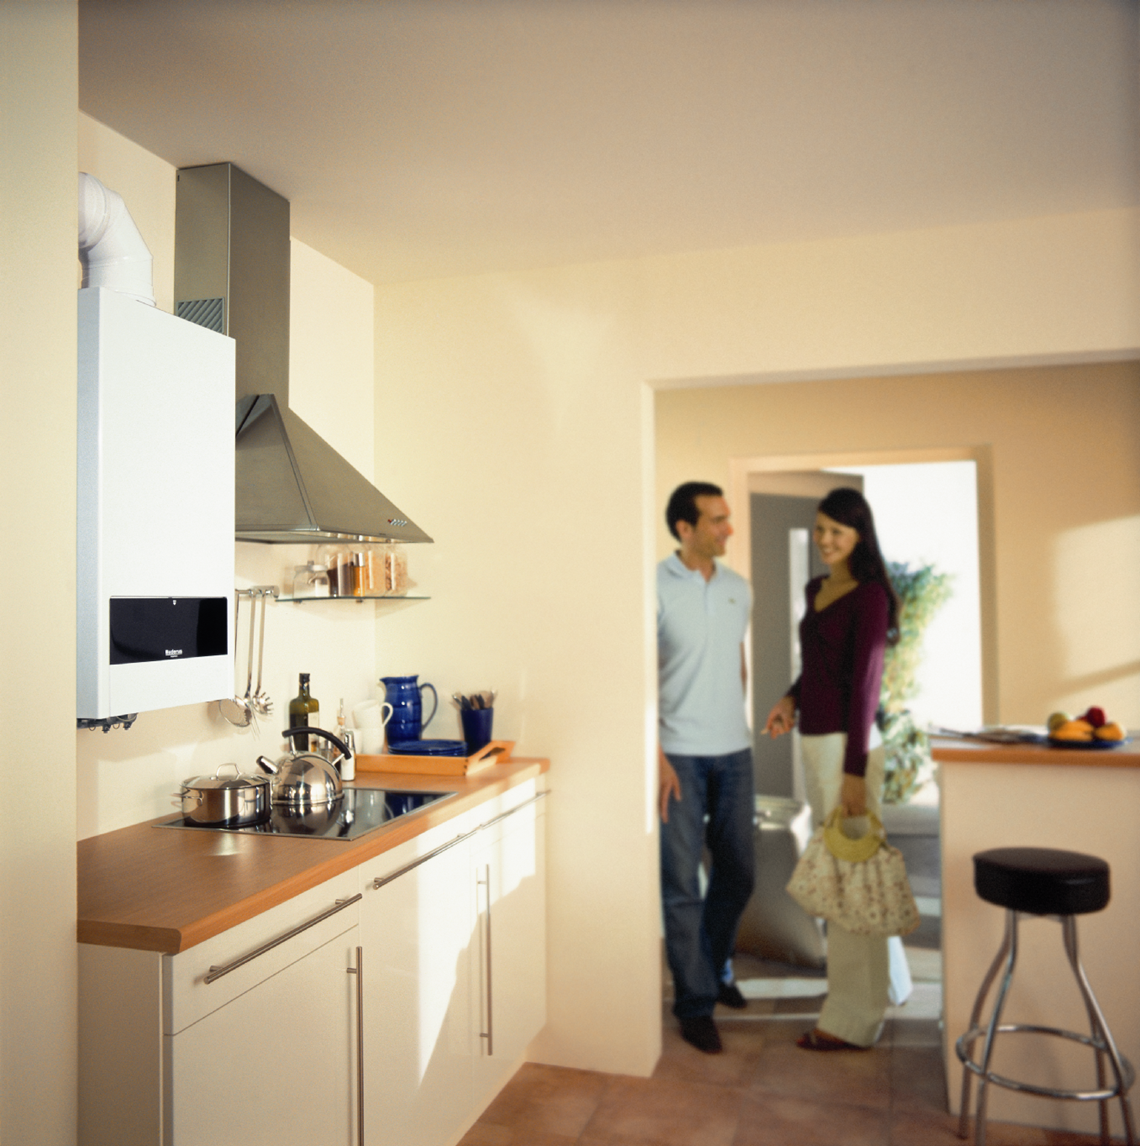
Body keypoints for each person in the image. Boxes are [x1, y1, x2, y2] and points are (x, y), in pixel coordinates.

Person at [765, 486, 911, 1050]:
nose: (825, 540)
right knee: (854, 871)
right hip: (818, 743)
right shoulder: (817, 589)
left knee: (851, 881)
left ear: (859, 536)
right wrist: (791, 698)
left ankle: (852, 1019)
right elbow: (820, 666)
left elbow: (866, 684)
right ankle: (888, 985)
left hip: (849, 748)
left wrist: (854, 770)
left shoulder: (870, 597)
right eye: (821, 528)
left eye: (837, 532)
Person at [657, 481, 755, 1055]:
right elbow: (640, 675)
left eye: (727, 518)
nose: (728, 530)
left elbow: (737, 665)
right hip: (678, 756)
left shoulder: (739, 588)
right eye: (717, 520)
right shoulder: (653, 585)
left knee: (739, 872)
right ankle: (695, 1003)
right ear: (685, 528)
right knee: (680, 885)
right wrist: (655, 756)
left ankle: (713, 967)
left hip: (734, 752)